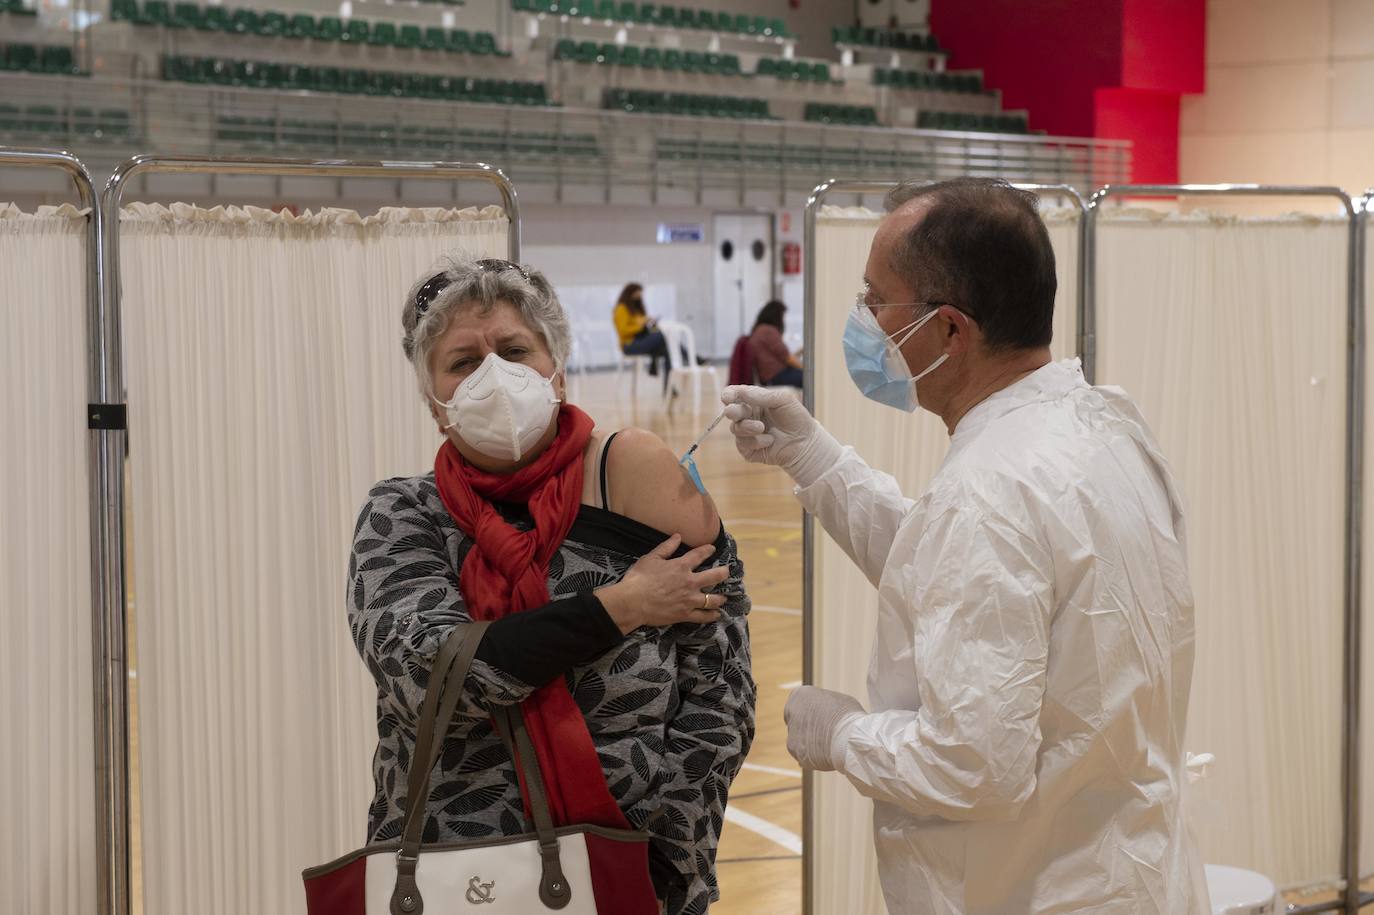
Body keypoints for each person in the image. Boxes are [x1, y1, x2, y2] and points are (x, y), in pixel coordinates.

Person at [722, 178, 1206, 914]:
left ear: (950, 330)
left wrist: (845, 733)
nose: (865, 321)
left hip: (1033, 887)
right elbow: (962, 583)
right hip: (1125, 870)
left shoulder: (990, 490)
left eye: (875, 298)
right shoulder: (1100, 424)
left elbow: (973, 766)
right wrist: (814, 458)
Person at [350, 256, 756, 914]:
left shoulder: (640, 482)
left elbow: (721, 687)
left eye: (513, 349)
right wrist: (618, 606)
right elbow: (432, 676)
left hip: (629, 867)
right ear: (433, 399)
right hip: (452, 875)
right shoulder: (404, 515)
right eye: (463, 362)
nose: (495, 375)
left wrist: (671, 847)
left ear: (557, 368)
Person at [613, 282, 670, 384]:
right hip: (629, 345)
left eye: (640, 294)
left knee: (667, 349)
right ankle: (693, 359)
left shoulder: (637, 309)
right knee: (663, 336)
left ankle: (668, 385)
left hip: (641, 340)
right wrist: (641, 325)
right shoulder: (621, 309)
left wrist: (648, 323)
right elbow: (623, 331)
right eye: (637, 293)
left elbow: (641, 326)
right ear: (630, 293)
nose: (639, 296)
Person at [748, 300, 802, 388]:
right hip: (775, 376)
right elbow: (786, 357)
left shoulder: (759, 330)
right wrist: (807, 369)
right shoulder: (768, 331)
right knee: (811, 378)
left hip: (770, 376)